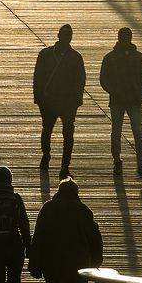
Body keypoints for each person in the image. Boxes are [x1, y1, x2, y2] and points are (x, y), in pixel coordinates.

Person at [32, 24, 85, 179]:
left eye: (69, 35)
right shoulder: (46, 54)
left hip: (68, 103)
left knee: (67, 133)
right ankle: (46, 155)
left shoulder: (75, 57)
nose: (67, 37)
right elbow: (38, 77)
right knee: (47, 130)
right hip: (49, 101)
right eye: (65, 34)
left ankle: (64, 165)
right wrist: (39, 98)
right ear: (59, 35)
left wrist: (77, 100)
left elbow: (80, 80)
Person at [100, 26, 142, 177]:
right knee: (126, 132)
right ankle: (127, 163)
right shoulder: (135, 56)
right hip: (125, 99)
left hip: (126, 99)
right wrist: (140, 93)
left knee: (126, 132)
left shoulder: (112, 57)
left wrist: (140, 93)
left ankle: (128, 163)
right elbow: (104, 79)